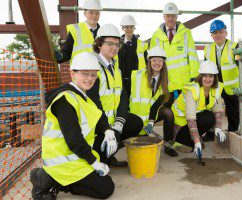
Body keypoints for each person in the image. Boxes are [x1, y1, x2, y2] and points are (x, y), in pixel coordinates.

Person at [30, 52, 115, 200]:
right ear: (72, 73)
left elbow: (97, 115)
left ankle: (63, 182)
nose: (89, 79)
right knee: (106, 189)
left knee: (105, 178)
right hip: (62, 162)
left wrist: (108, 131)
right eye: (85, 73)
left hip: (76, 157)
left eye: (93, 75)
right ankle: (47, 179)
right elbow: (74, 139)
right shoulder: (65, 100)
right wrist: (94, 163)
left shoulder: (82, 96)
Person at [87, 24, 143, 166]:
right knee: (100, 170)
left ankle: (109, 154)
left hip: (112, 121)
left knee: (136, 123)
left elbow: (123, 96)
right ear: (99, 44)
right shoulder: (93, 67)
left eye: (117, 44)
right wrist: (107, 129)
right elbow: (94, 102)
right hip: (97, 125)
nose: (114, 48)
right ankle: (103, 156)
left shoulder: (115, 68)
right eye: (109, 43)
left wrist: (119, 122)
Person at [171, 60, 226, 159]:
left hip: (194, 118)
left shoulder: (216, 88)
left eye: (211, 76)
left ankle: (195, 138)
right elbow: (191, 118)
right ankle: (180, 140)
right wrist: (196, 142)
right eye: (205, 76)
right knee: (186, 147)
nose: (208, 79)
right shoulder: (192, 90)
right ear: (200, 76)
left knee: (209, 117)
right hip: (180, 122)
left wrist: (218, 128)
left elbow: (218, 109)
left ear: (215, 77)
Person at [129, 46, 178, 157]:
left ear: (164, 63)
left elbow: (156, 104)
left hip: (150, 114)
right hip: (135, 114)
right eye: (154, 60)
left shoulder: (165, 80)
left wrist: (151, 122)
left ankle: (168, 145)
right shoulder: (138, 76)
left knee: (168, 113)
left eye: (160, 60)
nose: (157, 63)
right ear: (149, 61)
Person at [204, 19, 242, 132]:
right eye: (215, 33)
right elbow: (205, 69)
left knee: (232, 111)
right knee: (209, 109)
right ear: (211, 35)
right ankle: (210, 133)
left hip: (231, 86)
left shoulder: (234, 47)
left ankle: (232, 133)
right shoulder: (208, 49)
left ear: (226, 33)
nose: (218, 35)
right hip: (214, 85)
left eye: (220, 31)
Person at [150, 2, 199, 103]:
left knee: (182, 111)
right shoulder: (156, 36)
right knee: (167, 113)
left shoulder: (186, 33)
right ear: (164, 17)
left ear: (177, 16)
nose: (170, 19)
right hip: (164, 81)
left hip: (183, 82)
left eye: (173, 16)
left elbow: (192, 56)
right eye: (168, 16)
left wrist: (194, 78)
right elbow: (152, 60)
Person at [118, 14, 149, 95]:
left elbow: (147, 64)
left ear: (134, 28)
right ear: (122, 28)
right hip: (121, 81)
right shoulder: (117, 44)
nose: (129, 29)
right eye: (126, 27)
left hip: (137, 81)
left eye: (131, 27)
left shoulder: (142, 45)